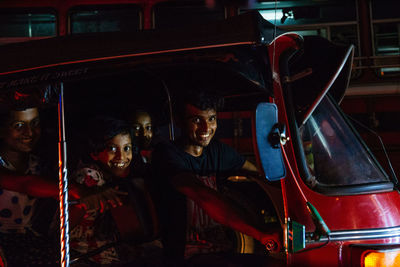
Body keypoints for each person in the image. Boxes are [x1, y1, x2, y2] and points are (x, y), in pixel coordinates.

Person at [152, 90, 281, 265]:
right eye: (197, 120)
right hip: (184, 255)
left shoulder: (217, 151)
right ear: (179, 121)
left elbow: (260, 175)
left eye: (211, 119)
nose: (206, 128)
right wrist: (260, 234)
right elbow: (201, 194)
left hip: (220, 250)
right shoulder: (166, 154)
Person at [70, 116, 162, 265]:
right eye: (112, 149)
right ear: (95, 153)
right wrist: (85, 202)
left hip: (126, 252)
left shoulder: (134, 174)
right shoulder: (89, 176)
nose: (122, 157)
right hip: (93, 256)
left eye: (127, 148)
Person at [0, 105, 61, 266]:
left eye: (35, 123)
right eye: (19, 125)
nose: (29, 132)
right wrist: (73, 189)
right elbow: (25, 184)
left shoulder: (39, 165)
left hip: (31, 245)